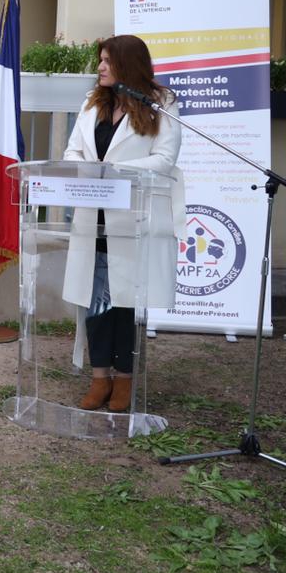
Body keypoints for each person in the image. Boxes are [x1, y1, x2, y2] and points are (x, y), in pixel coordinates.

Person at [60, 34, 186, 414]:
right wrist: (86, 171)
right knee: (95, 304)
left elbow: (164, 160)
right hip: (92, 218)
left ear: (127, 65)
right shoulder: (91, 102)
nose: (99, 67)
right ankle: (100, 378)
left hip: (133, 220)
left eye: (106, 61)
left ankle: (125, 381)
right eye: (100, 60)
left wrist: (113, 172)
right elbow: (72, 151)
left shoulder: (161, 103)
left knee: (125, 305)